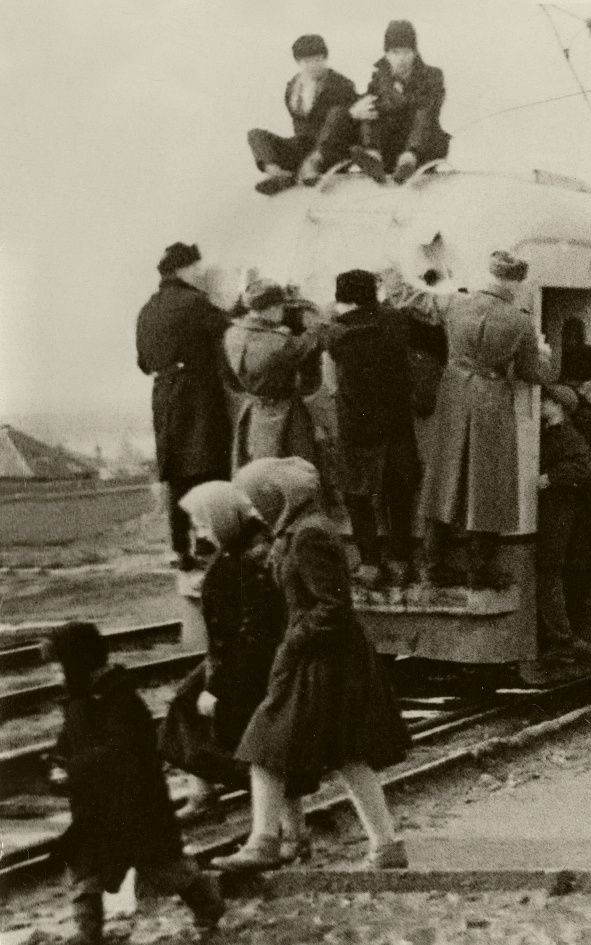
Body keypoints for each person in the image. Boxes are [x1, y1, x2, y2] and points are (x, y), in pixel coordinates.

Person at [214, 458, 411, 872]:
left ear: (277, 497)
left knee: (265, 748)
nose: (253, 509)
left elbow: (334, 606)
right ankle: (386, 848)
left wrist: (294, 641)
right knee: (348, 755)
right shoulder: (300, 530)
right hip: (327, 659)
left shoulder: (309, 535)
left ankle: (264, 841)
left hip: (322, 661)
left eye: (256, 500)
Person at [46, 622, 225, 944]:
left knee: (168, 868)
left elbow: (123, 752)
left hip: (138, 809)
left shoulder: (121, 698)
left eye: (60, 666)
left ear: (75, 663)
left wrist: (75, 767)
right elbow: (71, 739)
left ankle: (208, 905)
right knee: (85, 872)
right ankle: (88, 932)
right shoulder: (77, 700)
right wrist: (60, 759)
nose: (56, 675)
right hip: (97, 811)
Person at [390, 252, 556, 589]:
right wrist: (545, 354)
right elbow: (531, 372)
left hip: (453, 394)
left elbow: (409, 299)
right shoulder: (520, 321)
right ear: (516, 282)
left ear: (489, 275)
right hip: (491, 399)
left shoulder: (455, 304)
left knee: (445, 474)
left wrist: (393, 272)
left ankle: (432, 564)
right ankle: (480, 569)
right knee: (489, 480)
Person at [159, 483, 286, 815]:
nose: (201, 533)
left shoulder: (253, 554)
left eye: (204, 523)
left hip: (250, 662)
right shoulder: (239, 544)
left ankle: (264, 799)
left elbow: (256, 631)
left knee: (213, 715)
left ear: (222, 517)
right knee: (185, 704)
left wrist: (217, 686)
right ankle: (203, 792)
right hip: (233, 657)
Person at [321, 269, 420, 588]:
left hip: (357, 425)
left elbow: (330, 383)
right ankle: (401, 561)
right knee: (398, 493)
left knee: (358, 495)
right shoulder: (396, 321)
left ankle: (369, 565)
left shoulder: (335, 333)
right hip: (397, 423)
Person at [136, 242, 232, 570]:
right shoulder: (195, 302)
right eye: (196, 268)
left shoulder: (147, 309)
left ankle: (180, 547)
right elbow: (229, 328)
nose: (200, 273)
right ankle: (209, 540)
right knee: (210, 467)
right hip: (198, 393)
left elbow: (144, 363)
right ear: (183, 270)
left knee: (176, 472)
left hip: (164, 395)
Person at [224, 279, 323, 472]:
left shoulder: (233, 333)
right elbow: (311, 340)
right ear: (272, 308)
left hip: (253, 410)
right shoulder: (278, 342)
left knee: (256, 470)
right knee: (293, 472)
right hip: (283, 414)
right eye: (280, 307)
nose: (283, 312)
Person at [247, 34, 359, 195]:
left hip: (331, 149)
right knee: (255, 134)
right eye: (307, 61)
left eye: (317, 60)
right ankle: (278, 174)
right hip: (304, 146)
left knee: (337, 113)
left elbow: (348, 123)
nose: (313, 66)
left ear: (325, 58)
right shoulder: (293, 88)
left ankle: (312, 166)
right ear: (299, 62)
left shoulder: (342, 85)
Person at [537, 385, 591, 663]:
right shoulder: (552, 432)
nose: (541, 402)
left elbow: (588, 468)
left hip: (558, 514)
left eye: (547, 400)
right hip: (554, 513)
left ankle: (563, 640)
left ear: (559, 406)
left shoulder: (566, 435)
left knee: (549, 571)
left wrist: (551, 477)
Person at [347, 20, 451, 185]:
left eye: (406, 52)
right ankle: (373, 157)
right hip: (391, 150)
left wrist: (392, 100)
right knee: (369, 106)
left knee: (423, 111)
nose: (401, 58)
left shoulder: (433, 75)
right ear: (387, 54)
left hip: (423, 147)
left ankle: (408, 159)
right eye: (395, 53)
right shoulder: (379, 79)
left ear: (414, 52)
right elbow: (369, 106)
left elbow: (430, 107)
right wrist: (356, 111)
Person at [560, 344, 591, 647]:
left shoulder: (563, 405)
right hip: (586, 504)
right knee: (584, 570)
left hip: (570, 503)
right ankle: (585, 635)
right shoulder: (584, 412)